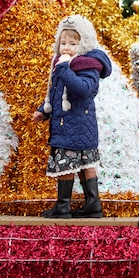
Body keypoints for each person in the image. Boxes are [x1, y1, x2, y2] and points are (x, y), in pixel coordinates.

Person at [32, 15, 112, 219]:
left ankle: (64, 206)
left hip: (77, 124)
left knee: (71, 164)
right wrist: (44, 110)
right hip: (67, 123)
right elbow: (56, 93)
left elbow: (83, 89)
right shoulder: (61, 64)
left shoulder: (88, 64)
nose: (66, 47)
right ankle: (92, 206)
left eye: (73, 43)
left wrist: (65, 69)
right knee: (83, 164)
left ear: (83, 44)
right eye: (63, 42)